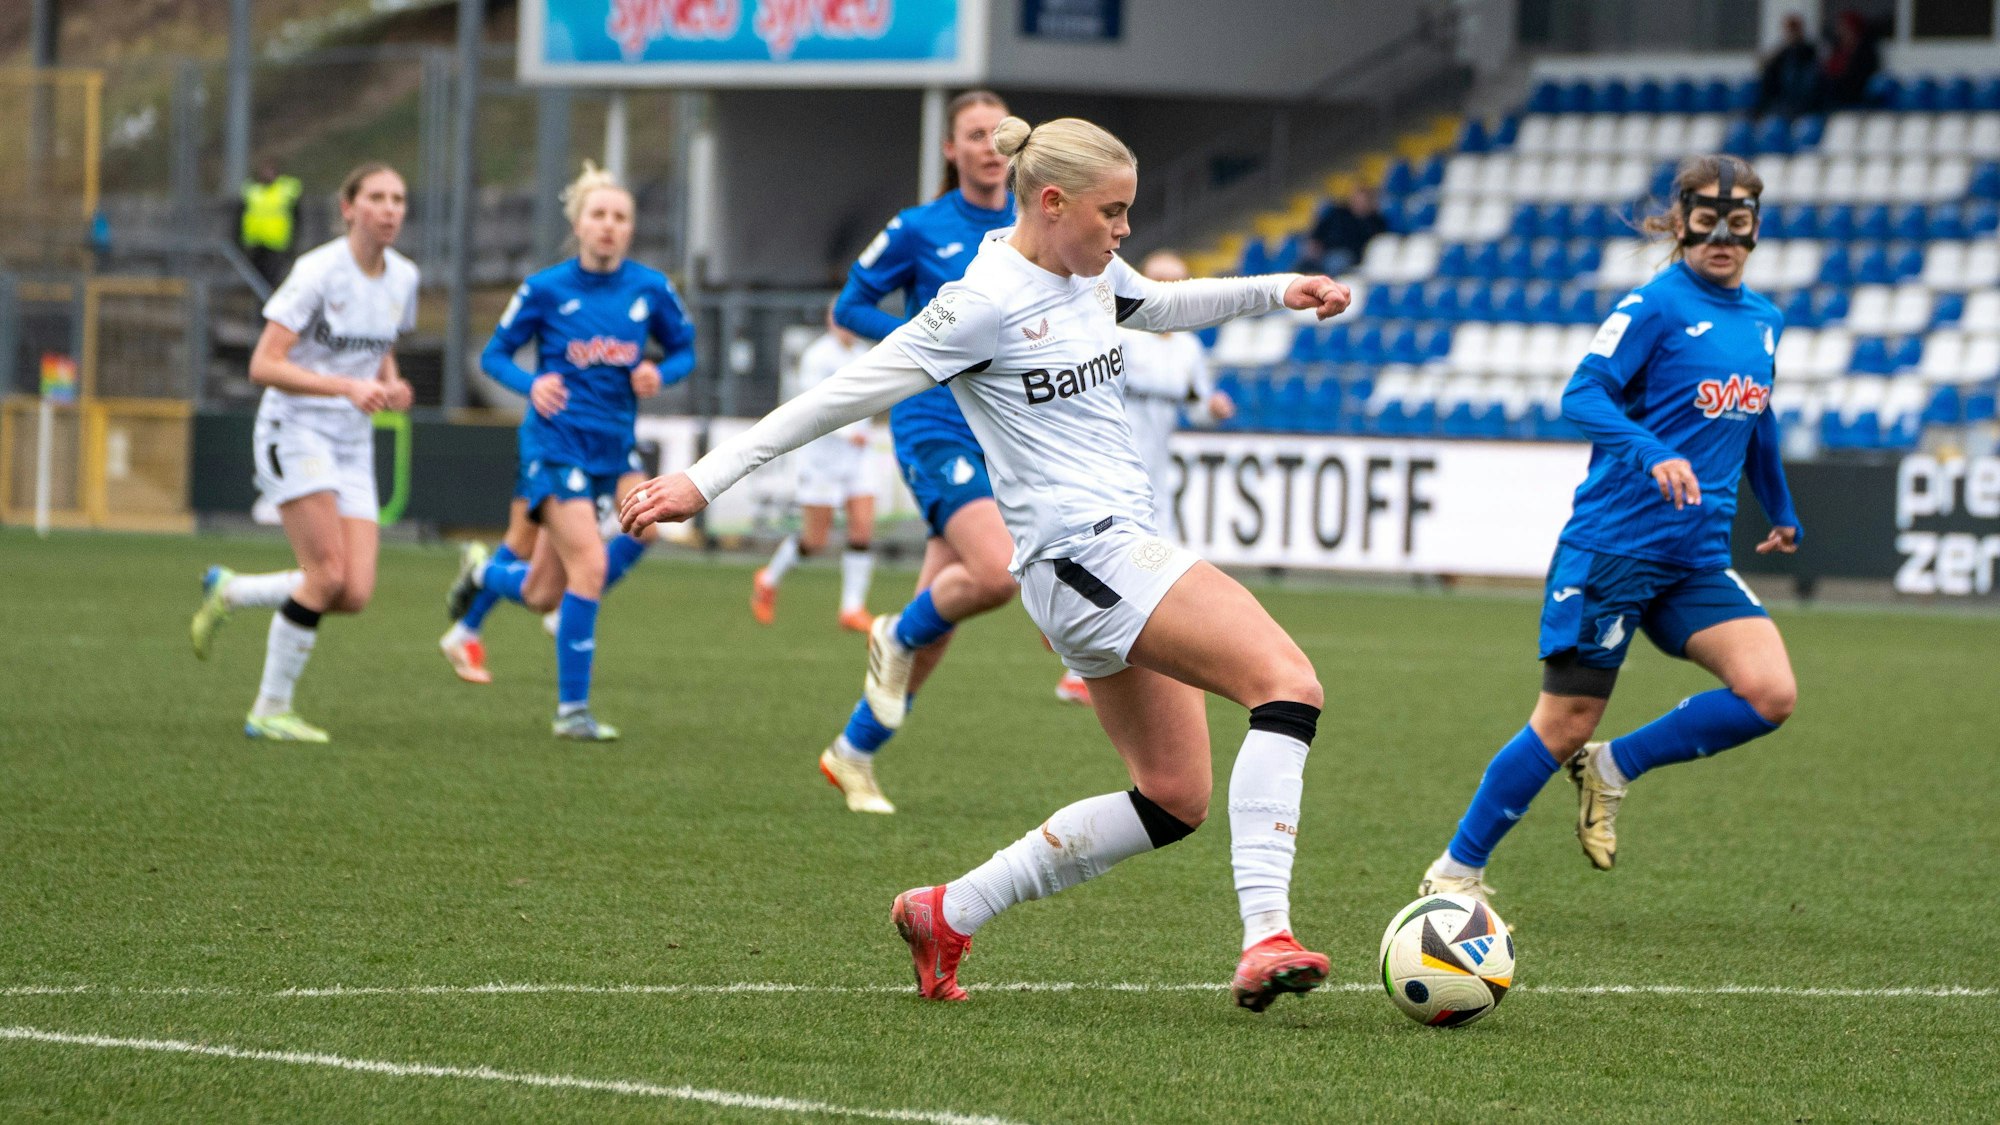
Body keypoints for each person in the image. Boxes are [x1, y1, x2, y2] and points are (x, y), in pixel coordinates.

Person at [620, 114, 1354, 1012]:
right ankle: (1266, 932)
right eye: (1112, 211)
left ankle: (947, 910)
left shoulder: (1090, 275)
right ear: (1052, 203)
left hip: (1095, 562)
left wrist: (1284, 289)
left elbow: (1162, 304)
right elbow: (836, 396)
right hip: (1088, 552)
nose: (1125, 231)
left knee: (1173, 797)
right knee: (1289, 683)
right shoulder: (982, 304)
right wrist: (704, 477)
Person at [1417, 155, 1801, 906]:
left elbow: (1760, 420)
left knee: (1769, 692)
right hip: (1615, 548)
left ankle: (1614, 766)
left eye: (1740, 220)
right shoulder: (1654, 304)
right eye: (1708, 217)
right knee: (1562, 721)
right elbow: (1581, 392)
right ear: (1682, 217)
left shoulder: (1765, 318)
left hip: (1695, 555)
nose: (1723, 234)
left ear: (1757, 226)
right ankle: (1456, 871)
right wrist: (1651, 449)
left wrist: (1780, 506)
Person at [813, 89, 1081, 819]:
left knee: (943, 614)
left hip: (1010, 429)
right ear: (952, 149)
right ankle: (891, 631)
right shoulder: (918, 227)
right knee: (994, 573)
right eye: (974, 134)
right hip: (937, 421)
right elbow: (850, 307)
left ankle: (853, 751)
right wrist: (928, 339)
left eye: (1000, 134)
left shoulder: (1035, 223)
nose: (990, 146)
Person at [440, 163, 696, 740]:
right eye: (598, 215)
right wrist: (531, 383)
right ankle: (572, 712)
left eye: (620, 217)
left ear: (631, 229)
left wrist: (661, 370)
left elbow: (685, 349)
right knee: (591, 564)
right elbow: (495, 356)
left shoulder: (651, 288)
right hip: (555, 445)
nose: (608, 225)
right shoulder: (545, 288)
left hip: (614, 445)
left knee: (551, 584)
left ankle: (485, 573)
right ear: (578, 225)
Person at [189, 162, 418, 741]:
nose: (390, 208)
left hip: (352, 441)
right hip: (294, 430)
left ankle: (234, 590)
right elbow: (263, 364)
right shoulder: (317, 271)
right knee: (326, 572)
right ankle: (269, 709)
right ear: (349, 208)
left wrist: (390, 382)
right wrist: (348, 386)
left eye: (398, 199)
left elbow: (381, 342)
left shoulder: (405, 278)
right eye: (377, 197)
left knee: (353, 592)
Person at [751, 306, 880, 632]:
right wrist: (849, 433)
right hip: (822, 458)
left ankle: (852, 608)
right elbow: (812, 408)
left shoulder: (866, 353)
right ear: (830, 320)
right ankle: (768, 579)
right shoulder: (816, 356)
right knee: (815, 540)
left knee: (862, 529)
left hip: (857, 458)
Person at [1118, 250, 1235, 538]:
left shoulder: (1189, 348)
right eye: (1159, 282)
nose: (1167, 293)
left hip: (1157, 475)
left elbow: (1197, 408)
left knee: (1160, 555)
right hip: (1113, 469)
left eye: (1176, 284)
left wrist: (1213, 410)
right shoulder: (1119, 337)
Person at [1294, 185, 1386, 277]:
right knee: (1302, 260)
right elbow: (1320, 230)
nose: (1358, 202)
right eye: (1356, 199)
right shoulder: (1338, 212)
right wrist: (1315, 242)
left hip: (1349, 255)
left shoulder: (1375, 222)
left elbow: (1371, 245)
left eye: (1363, 200)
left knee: (1336, 261)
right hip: (1324, 250)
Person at [239, 161, 304, 289]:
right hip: (255, 243)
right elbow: (240, 216)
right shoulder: (252, 191)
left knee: (272, 281)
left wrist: (293, 242)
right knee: (255, 280)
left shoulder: (285, 190)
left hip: (277, 244)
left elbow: (297, 218)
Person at [1756, 14, 1821, 119]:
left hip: (1801, 102)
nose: (1789, 35)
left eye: (1792, 31)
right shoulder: (1782, 53)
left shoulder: (1808, 52)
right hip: (1781, 102)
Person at [1821, 10, 1881, 109]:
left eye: (1845, 30)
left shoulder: (1864, 53)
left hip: (1853, 97)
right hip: (1833, 96)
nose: (1842, 33)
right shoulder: (1838, 50)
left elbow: (1857, 79)